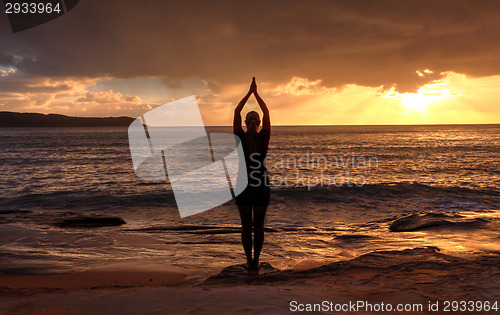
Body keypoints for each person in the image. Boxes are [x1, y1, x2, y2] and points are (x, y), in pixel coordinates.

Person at [233, 77, 271, 270]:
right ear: (252, 122)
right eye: (253, 117)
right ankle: (252, 260)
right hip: (254, 185)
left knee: (252, 226)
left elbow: (239, 112)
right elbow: (238, 111)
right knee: (253, 226)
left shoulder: (250, 137)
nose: (254, 118)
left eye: (252, 117)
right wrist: (253, 93)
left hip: (251, 185)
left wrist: (253, 93)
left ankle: (253, 260)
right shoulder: (251, 137)